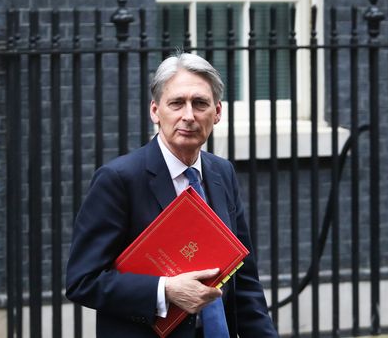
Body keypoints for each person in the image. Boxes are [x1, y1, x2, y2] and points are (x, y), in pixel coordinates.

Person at [66, 52, 278, 338]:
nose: (188, 116)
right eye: (177, 103)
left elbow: (246, 283)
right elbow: (82, 281)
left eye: (200, 104)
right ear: (155, 111)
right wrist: (164, 290)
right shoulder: (119, 179)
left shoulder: (222, 172)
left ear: (217, 112)